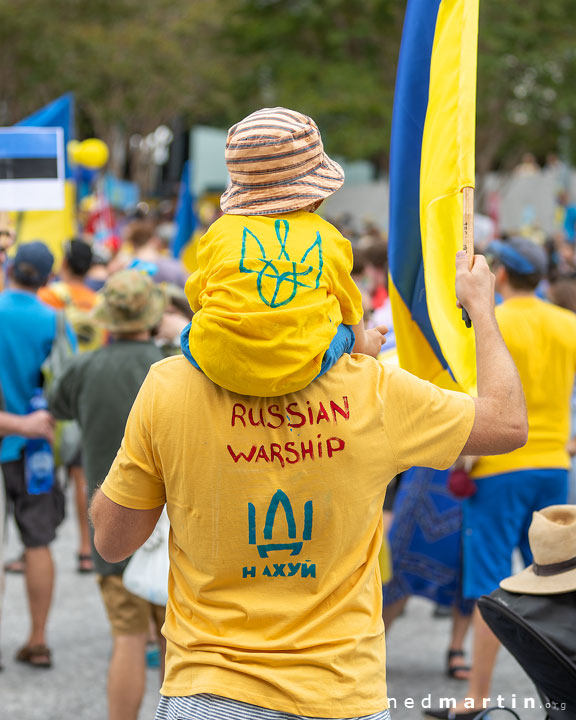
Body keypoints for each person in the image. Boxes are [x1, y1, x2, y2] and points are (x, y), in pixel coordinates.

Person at [90, 248, 528, 720]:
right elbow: (506, 424)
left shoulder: (170, 384)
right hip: (341, 692)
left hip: (212, 690)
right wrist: (481, 306)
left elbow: (112, 543)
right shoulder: (373, 389)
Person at [428, 237, 576, 719]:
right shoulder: (568, 323)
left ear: (502, 276)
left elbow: (471, 398)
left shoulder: (491, 323)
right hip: (554, 465)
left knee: (491, 586)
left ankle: (476, 697)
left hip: (498, 468)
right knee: (560, 584)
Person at [181, 107, 386, 397]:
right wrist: (362, 344)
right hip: (301, 367)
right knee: (344, 332)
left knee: (190, 333)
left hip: (221, 364)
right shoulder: (329, 237)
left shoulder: (218, 231)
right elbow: (350, 306)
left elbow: (197, 295)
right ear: (316, 189)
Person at [49, 269, 166, 720]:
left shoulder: (85, 367)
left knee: (127, 638)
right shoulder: (170, 364)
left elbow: (59, 407)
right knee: (175, 646)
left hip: (112, 521)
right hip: (169, 526)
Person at [0, 241, 76, 669]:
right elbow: (66, 385)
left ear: (10, 267)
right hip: (37, 449)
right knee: (38, 543)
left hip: (5, 438)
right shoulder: (54, 320)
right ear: (48, 278)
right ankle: (38, 639)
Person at [39, 238, 104, 573]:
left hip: (55, 392)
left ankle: (37, 545)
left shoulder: (50, 297)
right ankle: (84, 547)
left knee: (44, 472)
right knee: (83, 476)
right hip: (88, 394)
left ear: (65, 263)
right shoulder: (99, 302)